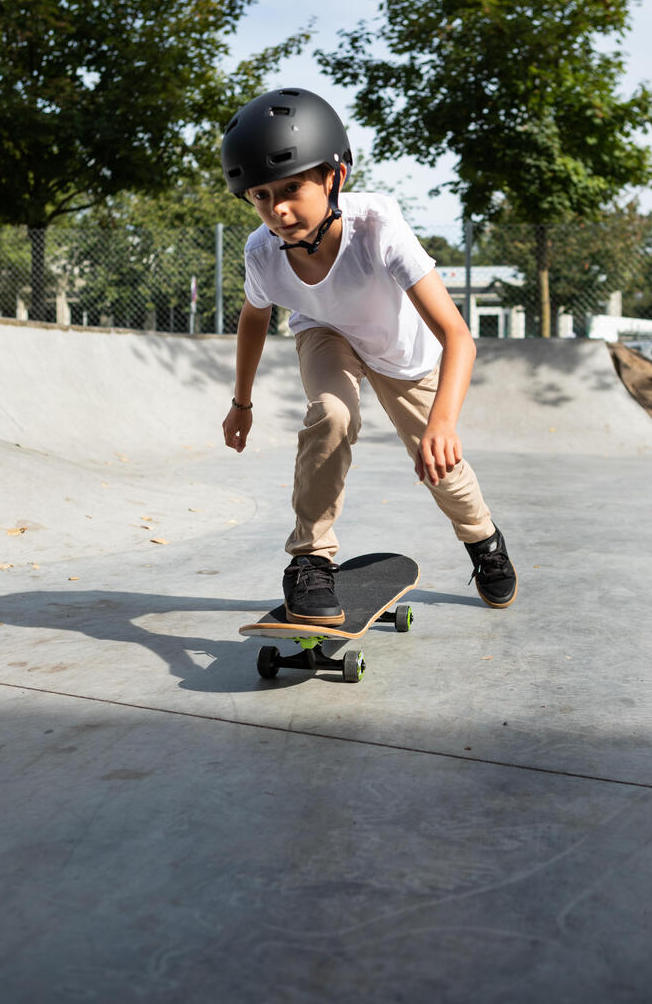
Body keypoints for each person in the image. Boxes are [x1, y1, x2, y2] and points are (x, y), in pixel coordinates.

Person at [220, 87, 517, 626]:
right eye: (261, 196)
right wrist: (241, 402)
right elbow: (254, 318)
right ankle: (310, 559)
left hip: (398, 347)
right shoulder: (262, 251)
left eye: (291, 188)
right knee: (331, 414)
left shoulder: (378, 227)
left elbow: (458, 336)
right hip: (323, 332)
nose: (278, 209)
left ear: (335, 176)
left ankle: (483, 539)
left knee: (440, 465)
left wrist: (443, 424)